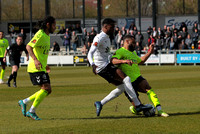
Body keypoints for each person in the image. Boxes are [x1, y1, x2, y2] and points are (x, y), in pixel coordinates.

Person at [87, 18, 152, 117]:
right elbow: (90, 53)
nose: (114, 29)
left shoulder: (107, 37)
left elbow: (104, 53)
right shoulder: (99, 38)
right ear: (105, 27)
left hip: (105, 66)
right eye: (112, 27)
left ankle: (100, 103)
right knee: (126, 79)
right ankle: (138, 105)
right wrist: (93, 64)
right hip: (103, 67)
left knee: (122, 87)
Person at [111, 35, 169, 117]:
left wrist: (150, 51)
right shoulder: (120, 51)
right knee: (138, 107)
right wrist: (124, 61)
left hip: (137, 77)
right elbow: (113, 61)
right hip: (128, 83)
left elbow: (141, 61)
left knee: (148, 89)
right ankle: (134, 109)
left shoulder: (133, 52)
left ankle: (160, 111)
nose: (135, 44)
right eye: (133, 42)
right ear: (127, 42)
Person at [18, 16, 56, 120]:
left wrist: (45, 64)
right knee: (46, 88)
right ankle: (31, 111)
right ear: (48, 24)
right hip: (35, 68)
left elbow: (42, 53)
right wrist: (35, 59)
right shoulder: (40, 34)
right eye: (53, 25)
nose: (55, 27)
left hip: (41, 67)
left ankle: (24, 102)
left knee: (47, 90)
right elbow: (28, 46)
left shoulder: (47, 36)